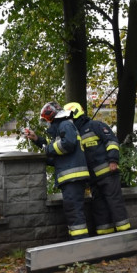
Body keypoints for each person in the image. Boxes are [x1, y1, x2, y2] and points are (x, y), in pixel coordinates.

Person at [24, 101, 91, 239]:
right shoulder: (63, 127)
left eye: (47, 119)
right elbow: (57, 158)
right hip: (71, 178)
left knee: (74, 212)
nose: (47, 123)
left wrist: (48, 149)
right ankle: (78, 244)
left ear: (53, 116)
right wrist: (37, 141)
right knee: (72, 211)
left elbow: (69, 144)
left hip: (73, 177)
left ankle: (81, 246)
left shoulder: (65, 124)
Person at [64, 102, 131, 235]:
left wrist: (113, 160)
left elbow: (111, 141)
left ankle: (125, 235)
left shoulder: (95, 126)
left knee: (115, 204)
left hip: (108, 174)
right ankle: (105, 237)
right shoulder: (74, 133)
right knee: (99, 208)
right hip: (93, 179)